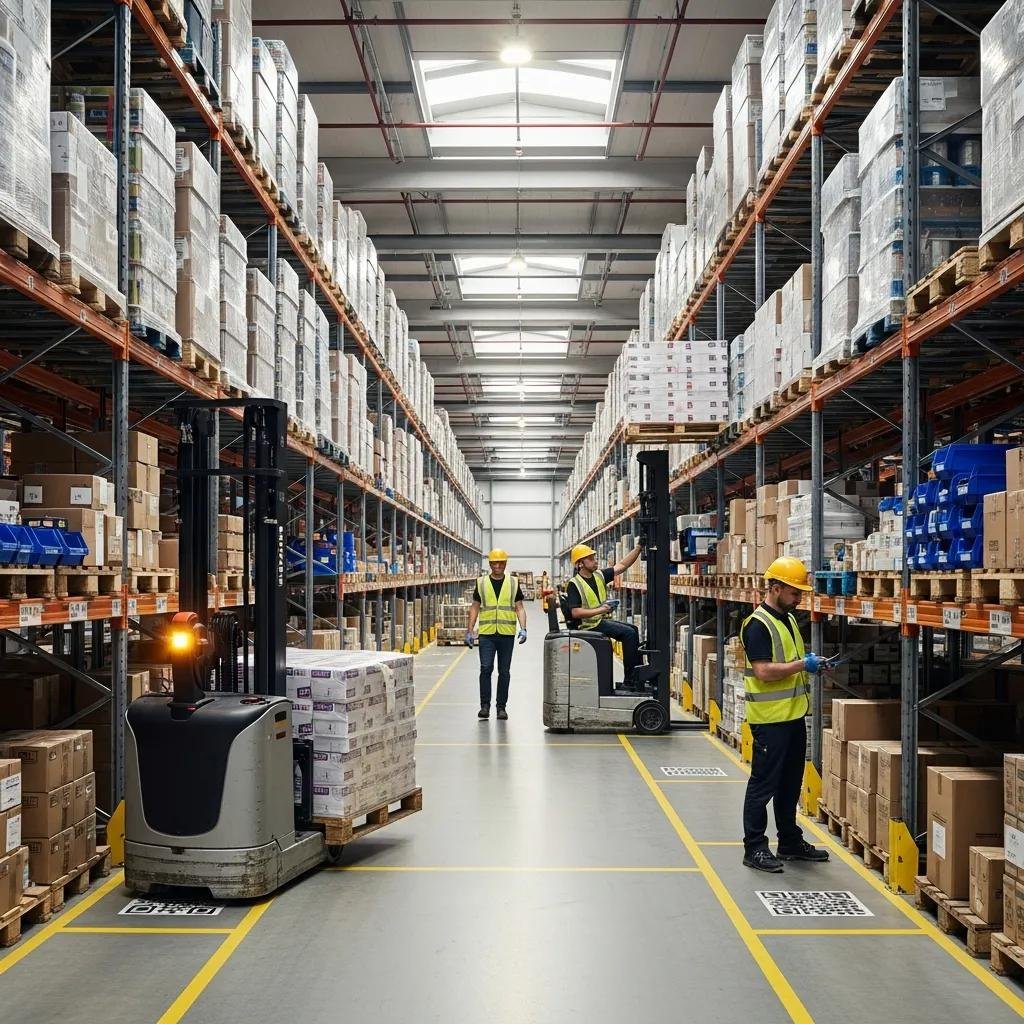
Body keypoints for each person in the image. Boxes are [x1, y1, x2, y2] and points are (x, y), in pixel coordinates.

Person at [740, 556, 831, 873]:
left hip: (793, 717)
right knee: (763, 784)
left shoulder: (788, 619)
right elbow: (764, 671)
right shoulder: (757, 625)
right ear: (775, 588)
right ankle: (754, 847)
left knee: (791, 784)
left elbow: (790, 662)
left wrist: (811, 663)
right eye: (795, 593)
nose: (799, 598)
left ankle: (789, 841)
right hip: (769, 721)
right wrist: (801, 665)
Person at [465, 548, 527, 721]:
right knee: (486, 668)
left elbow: (519, 607)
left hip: (507, 634)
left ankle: (501, 708)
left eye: (501, 563)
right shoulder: (481, 582)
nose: (498, 566)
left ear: (505, 564)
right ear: (490, 564)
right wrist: (469, 630)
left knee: (504, 671)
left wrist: (523, 627)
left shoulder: (514, 583)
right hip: (487, 634)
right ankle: (485, 706)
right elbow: (475, 606)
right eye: (494, 563)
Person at [565, 542, 642, 681]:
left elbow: (622, 565)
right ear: (580, 564)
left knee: (634, 629)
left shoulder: (599, 576)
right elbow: (575, 612)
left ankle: (639, 674)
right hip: (589, 626)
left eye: (594, 558)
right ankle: (631, 680)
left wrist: (638, 548)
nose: (595, 561)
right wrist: (600, 609)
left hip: (599, 621)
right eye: (591, 559)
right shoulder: (574, 584)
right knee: (629, 634)